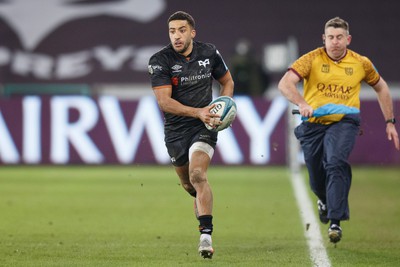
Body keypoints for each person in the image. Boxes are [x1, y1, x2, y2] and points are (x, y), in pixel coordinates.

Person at [278, 17, 399, 244]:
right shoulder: (311, 59)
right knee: (316, 178)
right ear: (324, 39)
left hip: (345, 122)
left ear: (348, 39)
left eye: (339, 37)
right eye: (331, 37)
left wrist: (390, 121)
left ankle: (335, 221)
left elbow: (382, 87)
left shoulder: (361, 63)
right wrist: (302, 103)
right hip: (313, 125)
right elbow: (285, 84)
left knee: (335, 162)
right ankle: (324, 201)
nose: (335, 42)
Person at [148, 11, 234, 258]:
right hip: (176, 129)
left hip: (204, 126)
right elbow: (164, 102)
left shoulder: (209, 53)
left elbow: (227, 81)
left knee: (198, 174)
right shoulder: (160, 60)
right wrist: (198, 112)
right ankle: (201, 202)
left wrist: (224, 105)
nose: (177, 35)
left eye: (182, 30)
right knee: (188, 184)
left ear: (192, 32)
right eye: (172, 31)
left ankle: (205, 235)